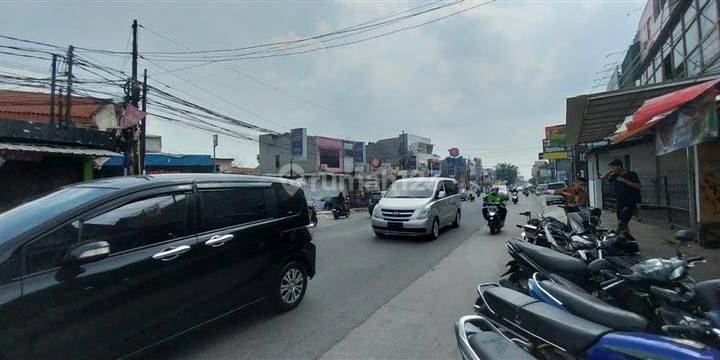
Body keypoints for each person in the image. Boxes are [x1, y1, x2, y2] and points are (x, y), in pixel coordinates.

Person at [599, 159, 641, 233]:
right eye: (611, 168)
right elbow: (602, 178)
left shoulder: (631, 174)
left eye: (613, 167)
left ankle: (617, 235)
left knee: (622, 222)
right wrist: (609, 172)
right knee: (622, 223)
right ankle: (625, 238)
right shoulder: (615, 176)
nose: (612, 169)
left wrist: (624, 181)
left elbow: (638, 186)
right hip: (620, 202)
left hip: (630, 202)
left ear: (619, 166)